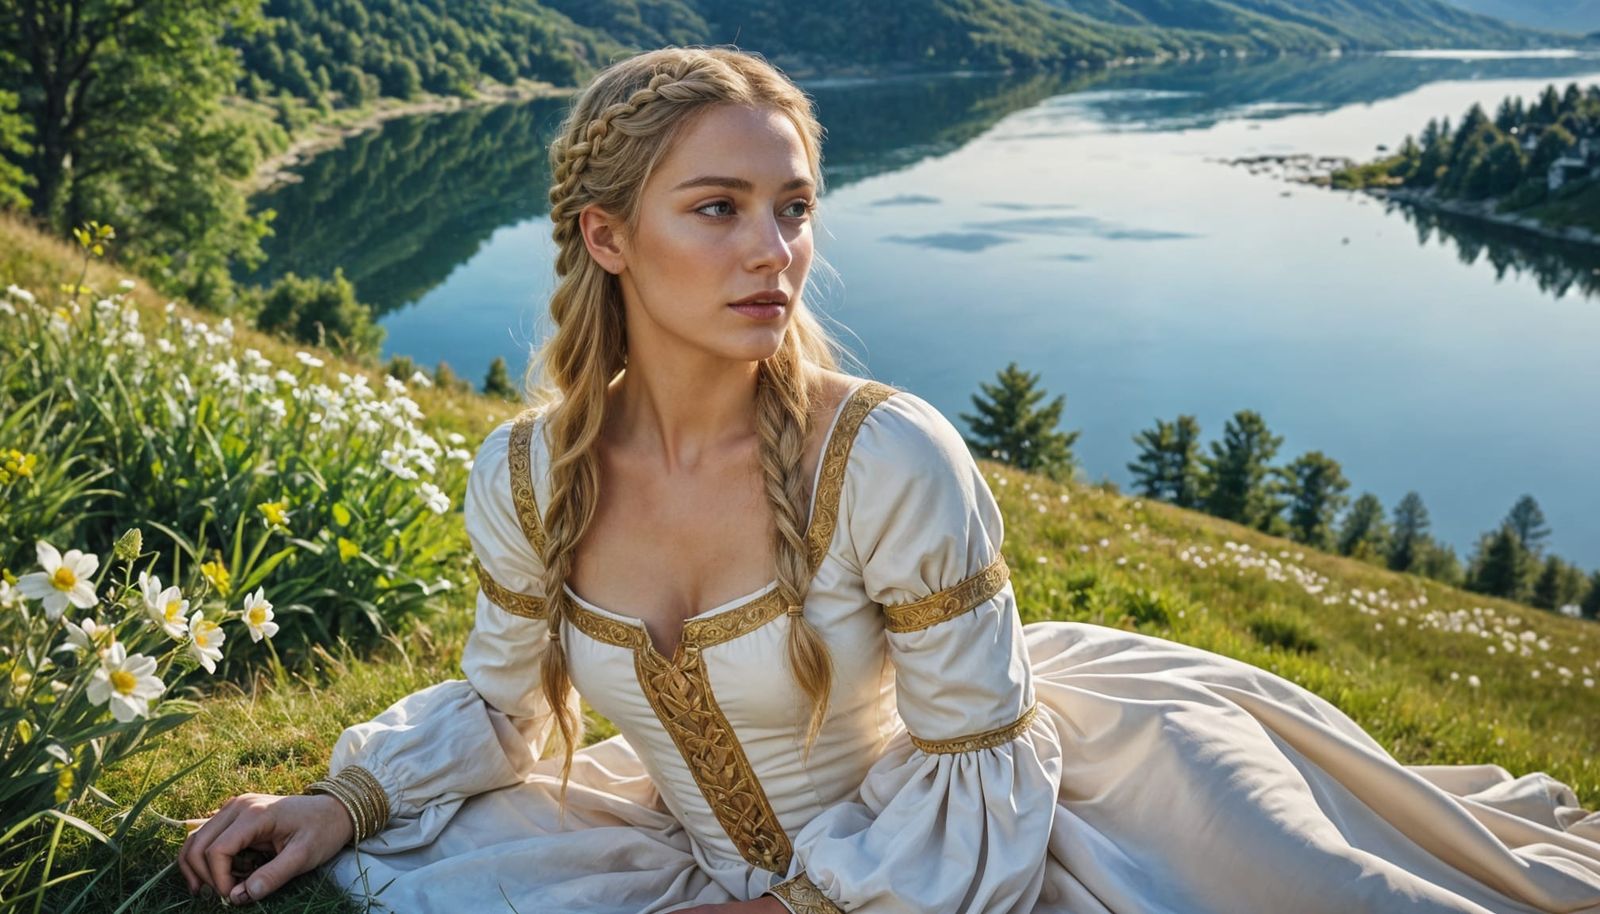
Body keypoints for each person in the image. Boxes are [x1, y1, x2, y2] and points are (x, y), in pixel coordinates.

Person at [178, 46, 1600, 914]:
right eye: (719, 208)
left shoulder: (889, 456)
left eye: (794, 207)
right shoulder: (524, 471)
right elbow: (507, 705)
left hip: (983, 843)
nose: (773, 251)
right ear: (607, 239)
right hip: (685, 846)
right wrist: (343, 803)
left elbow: (976, 769)